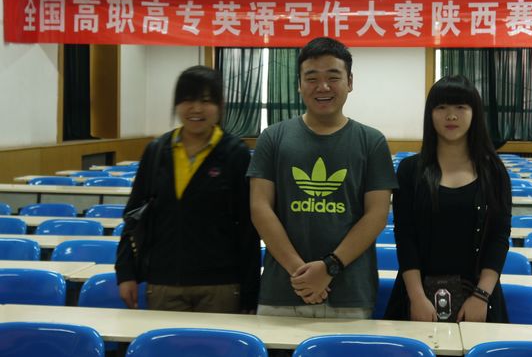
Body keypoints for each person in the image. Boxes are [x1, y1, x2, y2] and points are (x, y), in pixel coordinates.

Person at [248, 37, 397, 319]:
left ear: (349, 82)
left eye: (333, 77)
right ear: (299, 84)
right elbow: (260, 208)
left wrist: (329, 267)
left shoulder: (372, 141)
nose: (323, 87)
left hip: (350, 293)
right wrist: (301, 273)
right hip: (282, 290)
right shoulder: (273, 137)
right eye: (312, 78)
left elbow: (376, 215)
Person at [116, 65, 260, 313]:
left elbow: (248, 228)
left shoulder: (235, 153)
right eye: (188, 100)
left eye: (206, 101)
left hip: (221, 285)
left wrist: (249, 292)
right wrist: (125, 272)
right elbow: (134, 217)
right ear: (177, 104)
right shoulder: (157, 151)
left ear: (219, 106)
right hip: (164, 282)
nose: (196, 109)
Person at [384, 75, 511, 323]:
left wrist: (481, 296)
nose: (451, 116)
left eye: (460, 107)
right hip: (417, 297)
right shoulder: (410, 170)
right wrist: (417, 298)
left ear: (474, 113)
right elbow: (405, 237)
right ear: (430, 114)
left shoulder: (494, 172)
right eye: (441, 107)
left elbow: (499, 237)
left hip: (479, 298)